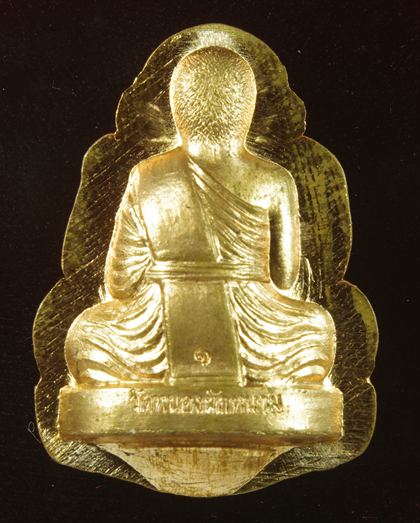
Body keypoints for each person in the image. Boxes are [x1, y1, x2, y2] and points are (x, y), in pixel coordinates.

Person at [65, 46, 335, 387]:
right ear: (246, 108)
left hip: (155, 331)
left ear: (178, 106)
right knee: (316, 329)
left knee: (88, 333)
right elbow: (284, 277)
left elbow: (120, 283)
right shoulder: (275, 180)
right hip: (256, 331)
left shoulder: (146, 175)